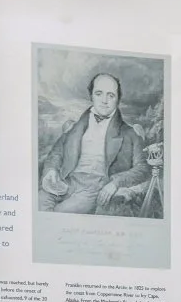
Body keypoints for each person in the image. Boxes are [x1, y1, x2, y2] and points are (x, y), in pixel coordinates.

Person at [37, 72, 150, 215]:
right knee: (39, 205)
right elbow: (56, 153)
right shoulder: (75, 126)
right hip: (65, 180)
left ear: (118, 100)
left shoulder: (130, 133)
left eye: (111, 95)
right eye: (99, 93)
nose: (104, 100)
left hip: (94, 187)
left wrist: (116, 183)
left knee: (62, 214)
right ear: (91, 96)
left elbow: (143, 168)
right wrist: (51, 171)